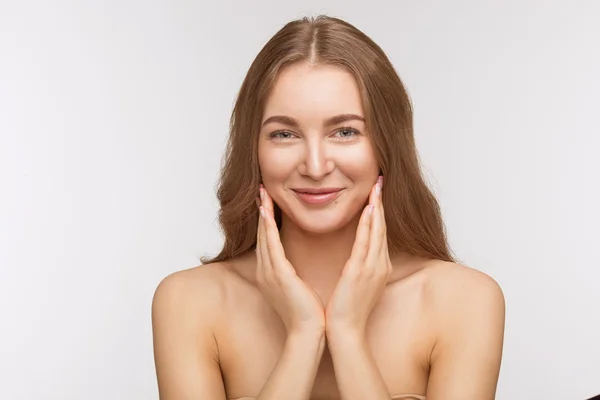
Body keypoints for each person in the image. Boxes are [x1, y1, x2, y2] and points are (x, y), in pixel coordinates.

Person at [151, 14, 505, 400]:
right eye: (284, 134)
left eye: (345, 132)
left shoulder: (465, 301)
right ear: (253, 149)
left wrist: (348, 336)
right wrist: (303, 336)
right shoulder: (188, 303)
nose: (315, 166)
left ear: (386, 144)